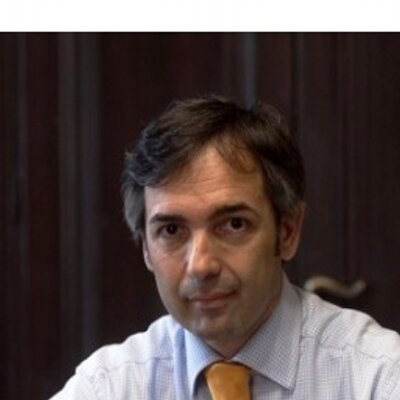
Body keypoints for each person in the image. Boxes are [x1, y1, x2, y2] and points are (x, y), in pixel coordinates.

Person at [51, 96, 400, 399]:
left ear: (287, 232)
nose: (201, 265)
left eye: (233, 224)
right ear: (145, 248)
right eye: (171, 230)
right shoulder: (109, 386)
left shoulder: (378, 376)